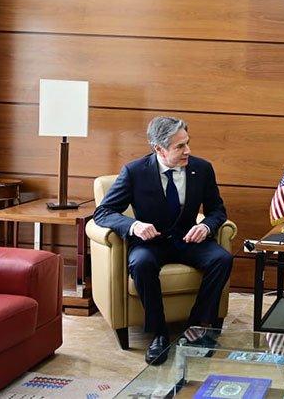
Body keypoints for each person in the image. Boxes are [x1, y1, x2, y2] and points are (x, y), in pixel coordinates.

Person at [93, 116, 233, 365]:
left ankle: (197, 327)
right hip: (151, 244)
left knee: (222, 259)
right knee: (141, 264)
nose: (187, 150)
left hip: (188, 240)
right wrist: (134, 225)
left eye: (187, 143)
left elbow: (217, 211)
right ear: (159, 148)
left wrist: (206, 226)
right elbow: (103, 212)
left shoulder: (202, 169)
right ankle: (158, 333)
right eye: (180, 146)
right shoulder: (135, 172)